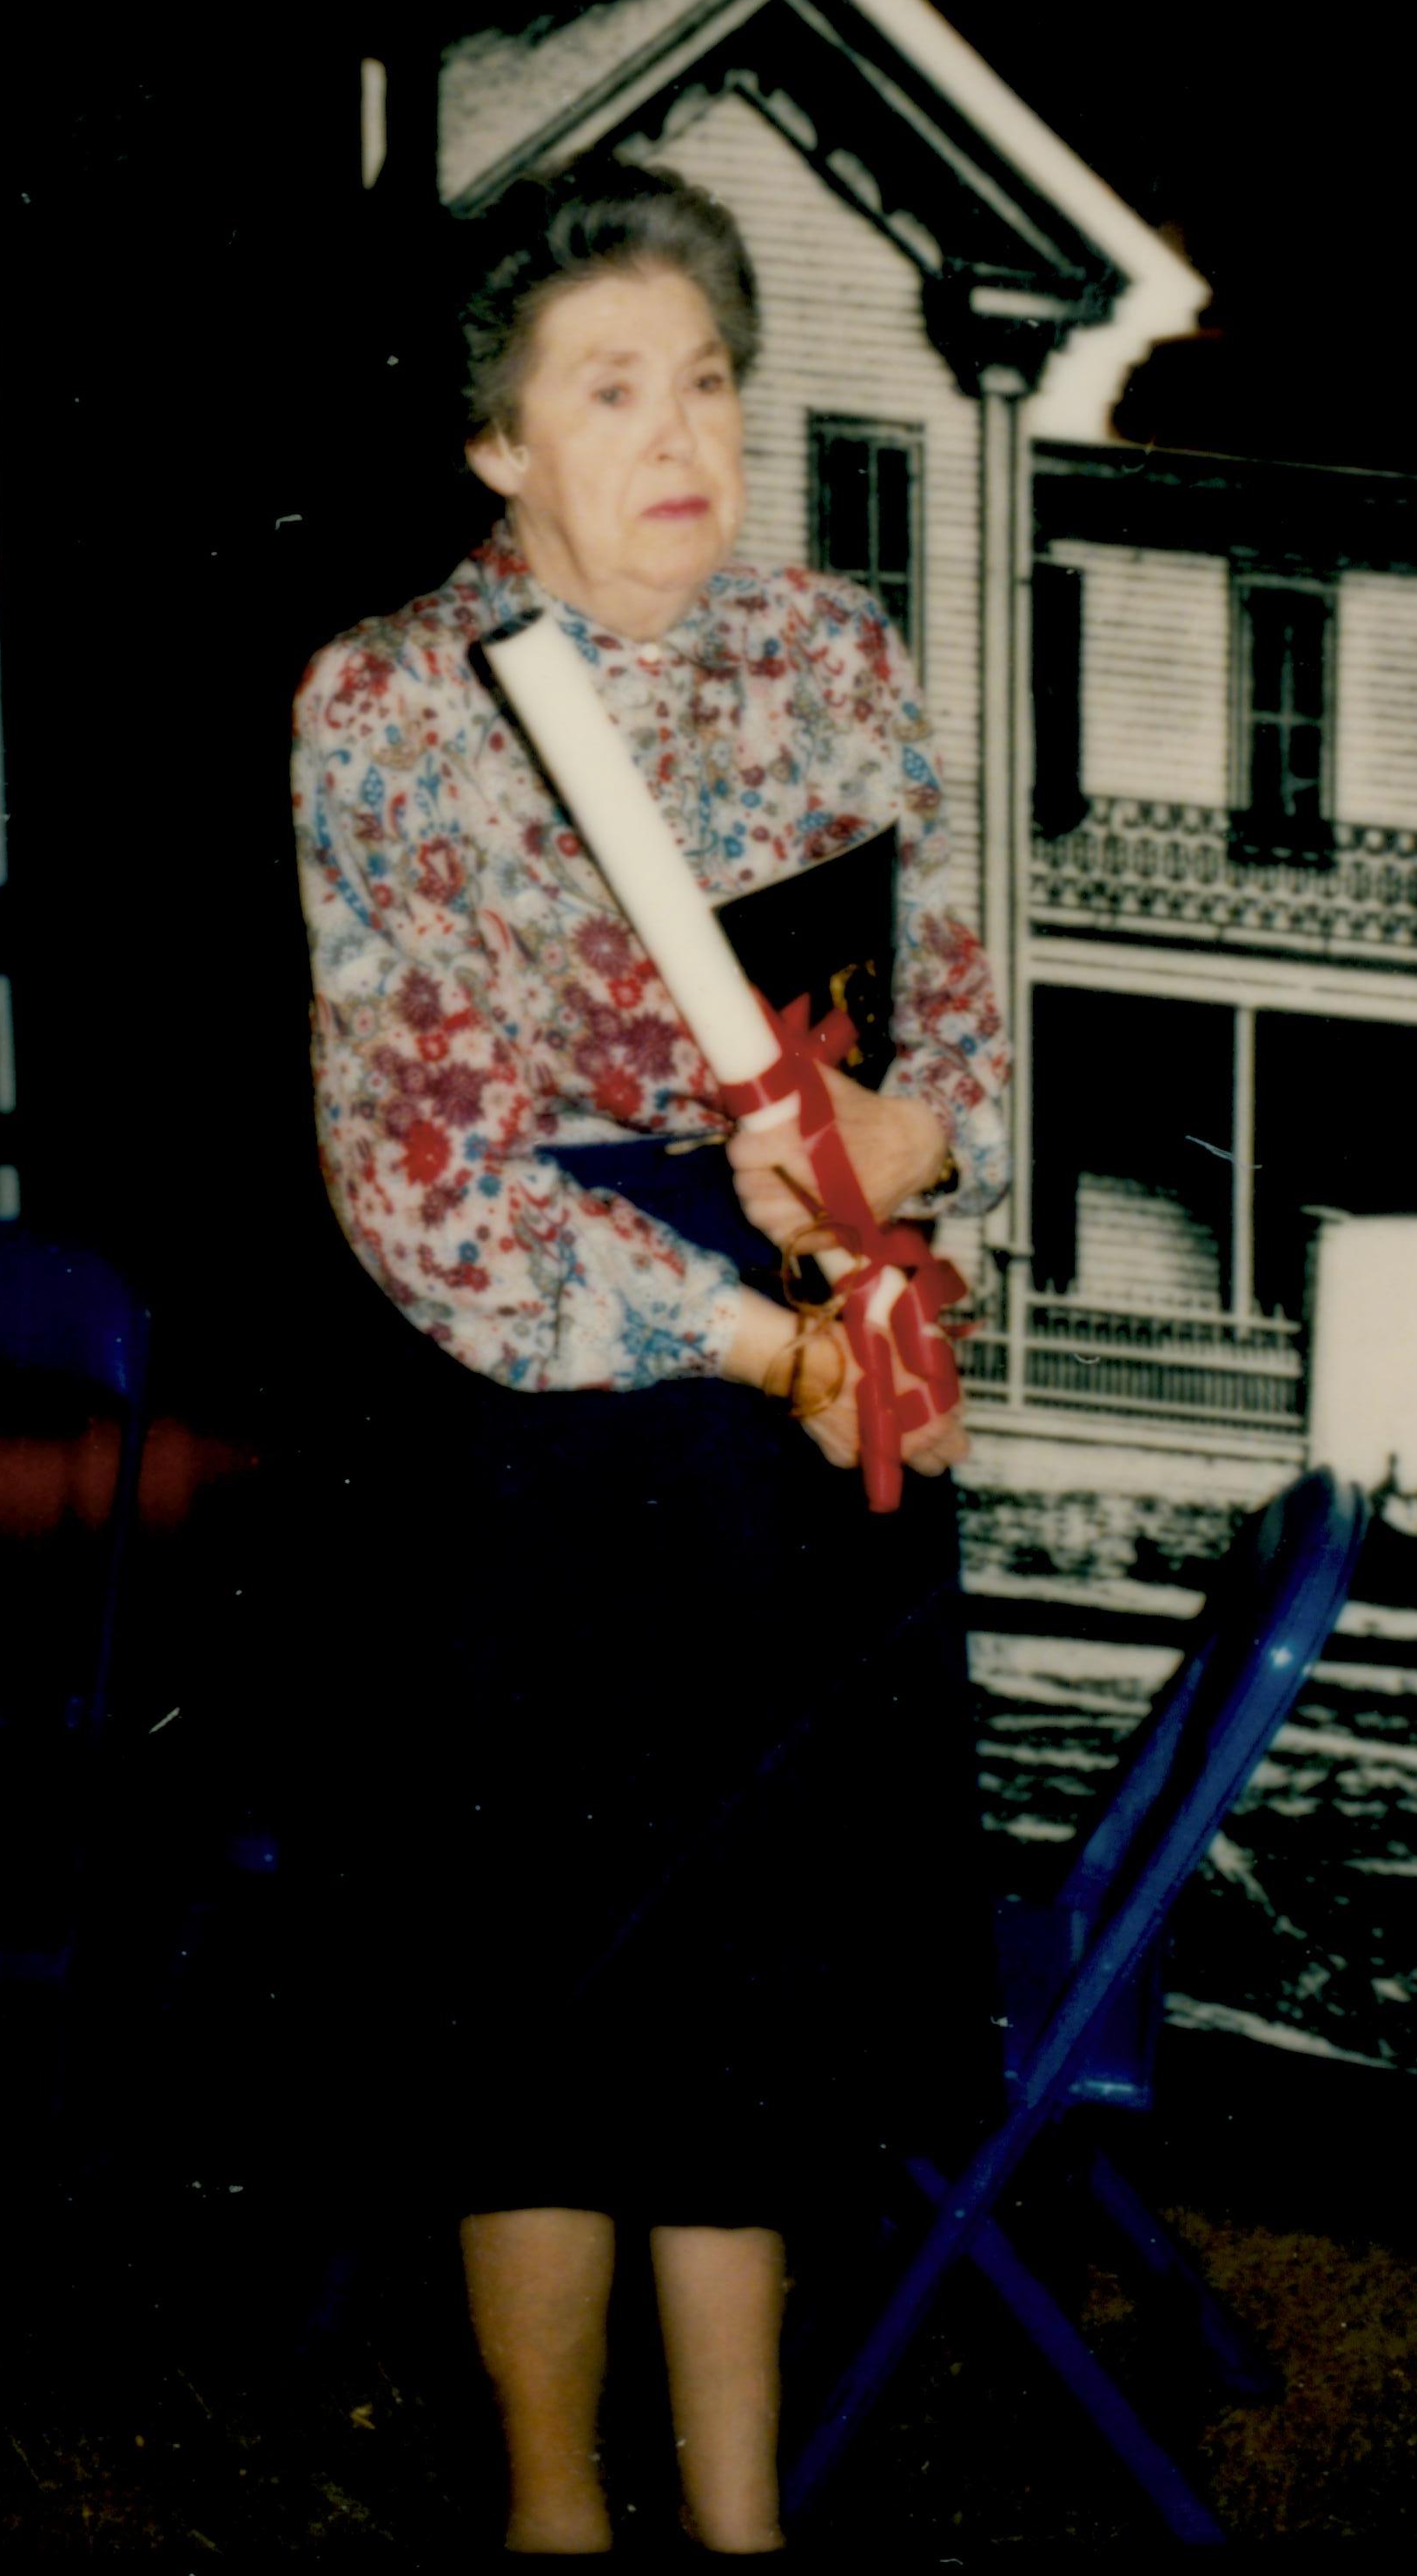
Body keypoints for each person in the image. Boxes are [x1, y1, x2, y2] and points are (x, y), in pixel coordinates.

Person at [291, 163, 1010, 2554]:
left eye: (707, 376)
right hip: (550, 1439)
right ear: (498, 440)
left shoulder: (829, 650)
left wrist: (916, 1161)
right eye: (611, 387)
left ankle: (742, 2521)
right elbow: (424, 1185)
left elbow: (963, 1006)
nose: (680, 427)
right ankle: (554, 2523)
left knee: (754, 2018)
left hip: (812, 1418)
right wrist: (740, 1333)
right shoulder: (392, 703)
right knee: (535, 2032)